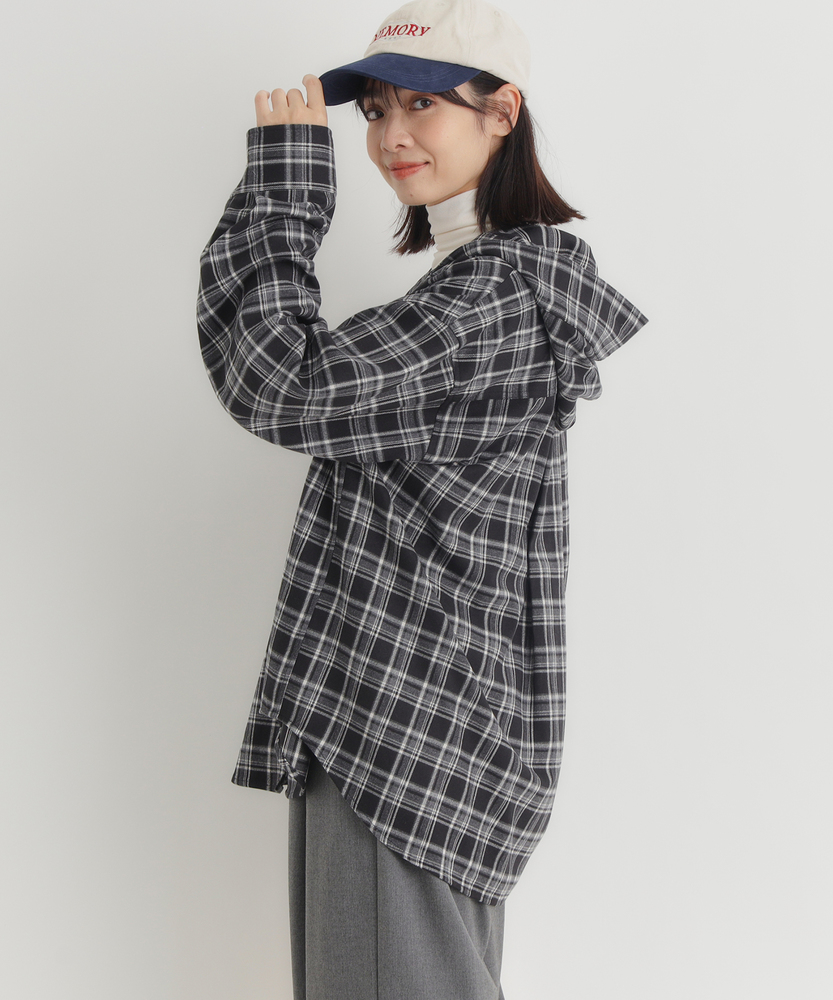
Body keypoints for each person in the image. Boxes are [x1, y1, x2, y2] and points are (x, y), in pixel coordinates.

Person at [196, 1, 648, 997]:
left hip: (403, 732)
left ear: (501, 112)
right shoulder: (485, 290)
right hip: (417, 723)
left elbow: (280, 382)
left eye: (423, 104)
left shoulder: (487, 301)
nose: (390, 134)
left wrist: (283, 186)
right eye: (374, 111)